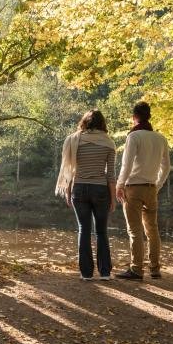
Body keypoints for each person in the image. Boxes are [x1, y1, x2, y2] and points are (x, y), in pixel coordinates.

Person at [56, 110, 117, 280]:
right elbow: (110, 174)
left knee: (83, 229)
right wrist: (113, 199)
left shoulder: (75, 139)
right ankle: (105, 272)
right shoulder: (108, 143)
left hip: (79, 189)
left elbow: (70, 171)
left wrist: (68, 192)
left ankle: (86, 273)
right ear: (102, 123)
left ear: (85, 122)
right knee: (101, 231)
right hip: (100, 190)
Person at [115, 101, 170, 280]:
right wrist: (158, 185)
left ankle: (136, 269)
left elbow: (127, 164)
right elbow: (166, 166)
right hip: (151, 188)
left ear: (134, 117)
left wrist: (119, 184)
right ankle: (155, 269)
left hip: (134, 188)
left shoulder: (134, 136)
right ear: (149, 116)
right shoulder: (160, 138)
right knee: (152, 230)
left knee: (135, 230)